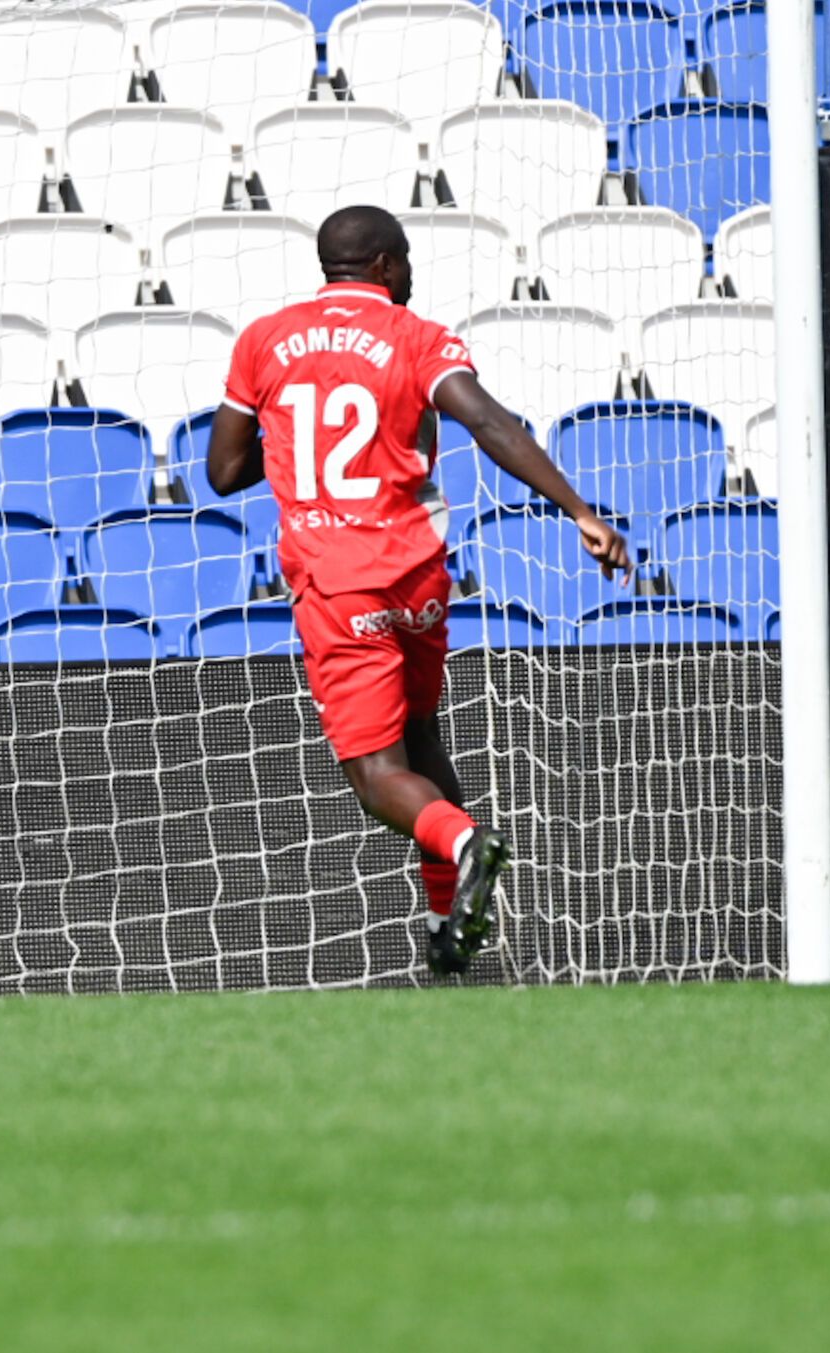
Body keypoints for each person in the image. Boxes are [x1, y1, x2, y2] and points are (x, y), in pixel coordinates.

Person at [206, 205, 631, 976]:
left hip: (339, 581)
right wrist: (579, 511)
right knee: (425, 734)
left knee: (376, 776)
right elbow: (491, 425)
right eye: (406, 262)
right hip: (420, 578)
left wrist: (298, 439)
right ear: (385, 265)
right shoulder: (417, 337)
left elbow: (223, 472)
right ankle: (446, 923)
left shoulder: (264, 340)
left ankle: (463, 842)